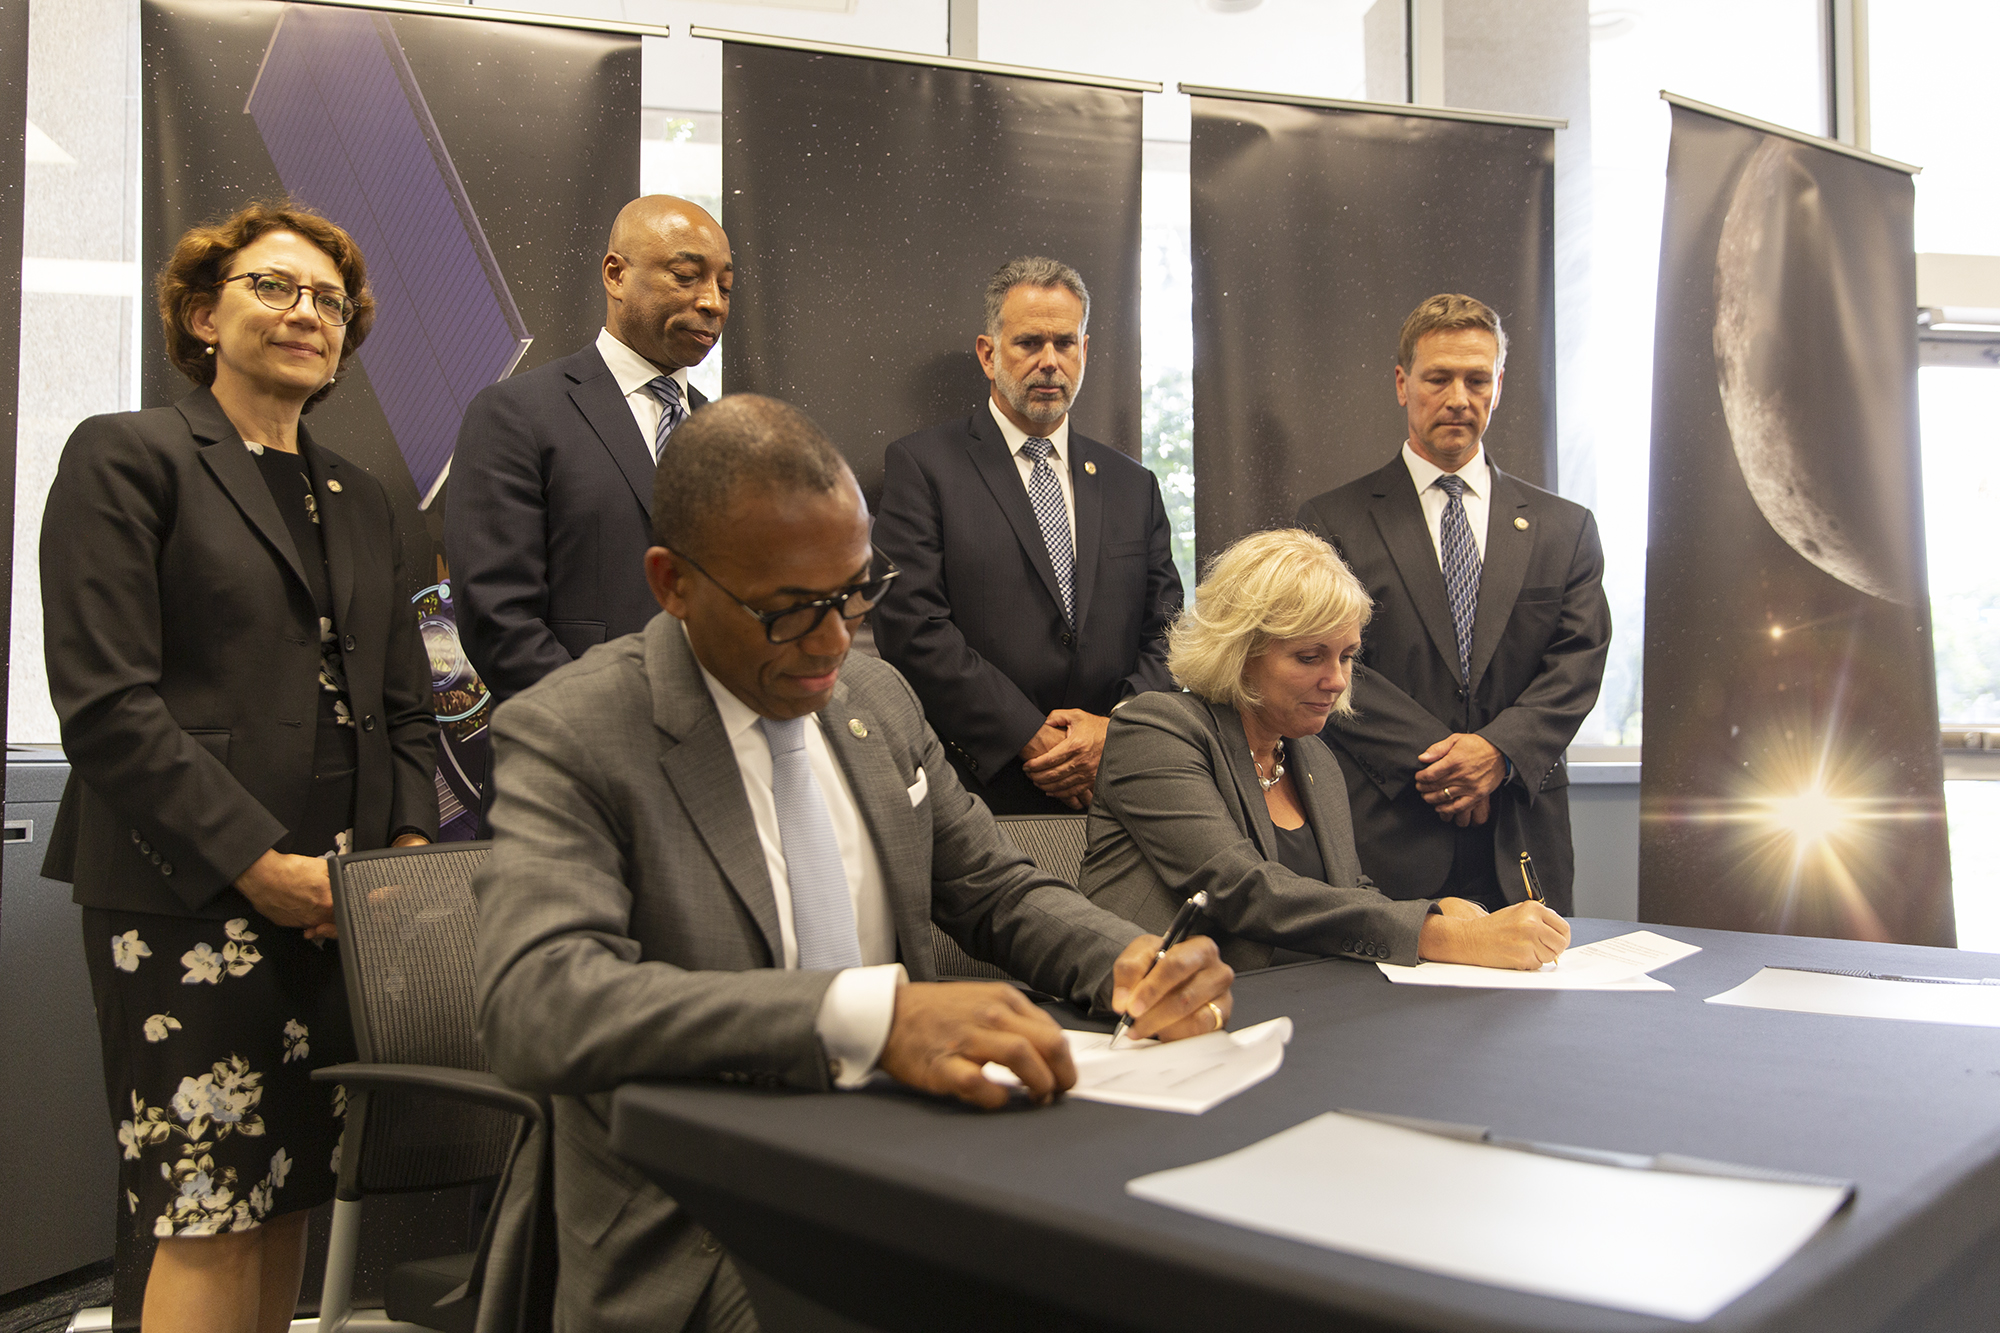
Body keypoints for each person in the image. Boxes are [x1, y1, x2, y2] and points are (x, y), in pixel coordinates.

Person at [472, 394, 1233, 1333]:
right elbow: (538, 1002)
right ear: (672, 582)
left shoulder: (873, 695)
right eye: (791, 611)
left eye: (856, 591)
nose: (836, 641)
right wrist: (867, 1016)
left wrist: (1125, 958)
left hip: (914, 1171)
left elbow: (994, 889)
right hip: (709, 1229)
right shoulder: (575, 729)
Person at [40, 200, 439, 1333]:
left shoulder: (365, 497)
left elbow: (408, 703)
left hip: (337, 905)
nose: (306, 312)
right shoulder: (129, 454)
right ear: (203, 314)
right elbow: (108, 704)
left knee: (288, 1198)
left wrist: (393, 865)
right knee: (206, 1204)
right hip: (186, 893)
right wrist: (261, 865)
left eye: (329, 300)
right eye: (274, 286)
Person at [1081, 528, 1570, 972]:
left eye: (1347, 656)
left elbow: (1345, 894)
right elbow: (1241, 891)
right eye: (1309, 656)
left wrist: (1441, 914)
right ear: (1239, 652)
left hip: (1299, 1012)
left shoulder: (1312, 756)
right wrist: (1442, 933)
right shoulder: (1153, 730)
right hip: (1161, 1022)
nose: (1336, 680)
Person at [1296, 294, 1611, 913]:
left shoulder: (1565, 528)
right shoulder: (1332, 523)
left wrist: (1497, 754)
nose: (1458, 398)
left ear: (1499, 384)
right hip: (1387, 830)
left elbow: (1577, 664)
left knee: (1535, 1010)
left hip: (1522, 831)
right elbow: (1326, 669)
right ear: (1402, 382)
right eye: (1438, 378)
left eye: (1477, 378)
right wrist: (1450, 766)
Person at [873, 256, 1181, 814]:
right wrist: (1031, 737)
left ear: (1084, 352)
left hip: (1116, 789)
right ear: (989, 355)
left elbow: (1171, 632)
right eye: (1028, 343)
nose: (1049, 362)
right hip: (979, 793)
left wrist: (1114, 731)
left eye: (1065, 343)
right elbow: (911, 628)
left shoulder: (1132, 485)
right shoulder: (923, 467)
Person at [444, 193, 728, 711]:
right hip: (576, 768)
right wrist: (614, 735)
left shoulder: (727, 437)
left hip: (714, 762)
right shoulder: (515, 415)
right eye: (687, 276)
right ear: (616, 275)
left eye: (725, 286)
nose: (713, 301)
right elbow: (499, 621)